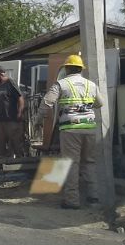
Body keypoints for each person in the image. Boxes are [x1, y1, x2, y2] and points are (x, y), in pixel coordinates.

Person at [38, 54, 106, 210]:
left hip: (70, 129)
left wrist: (38, 120)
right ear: (81, 69)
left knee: (71, 164)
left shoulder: (61, 84)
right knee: (89, 162)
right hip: (89, 128)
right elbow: (100, 104)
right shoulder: (91, 85)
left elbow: (46, 103)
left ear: (67, 68)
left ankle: (72, 200)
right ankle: (94, 197)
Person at [0, 66, 26, 158]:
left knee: (15, 141)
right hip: (0, 118)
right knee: (0, 141)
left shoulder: (10, 82)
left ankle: (19, 161)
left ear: (1, 73)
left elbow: (20, 98)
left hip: (11, 118)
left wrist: (20, 112)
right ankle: (2, 164)